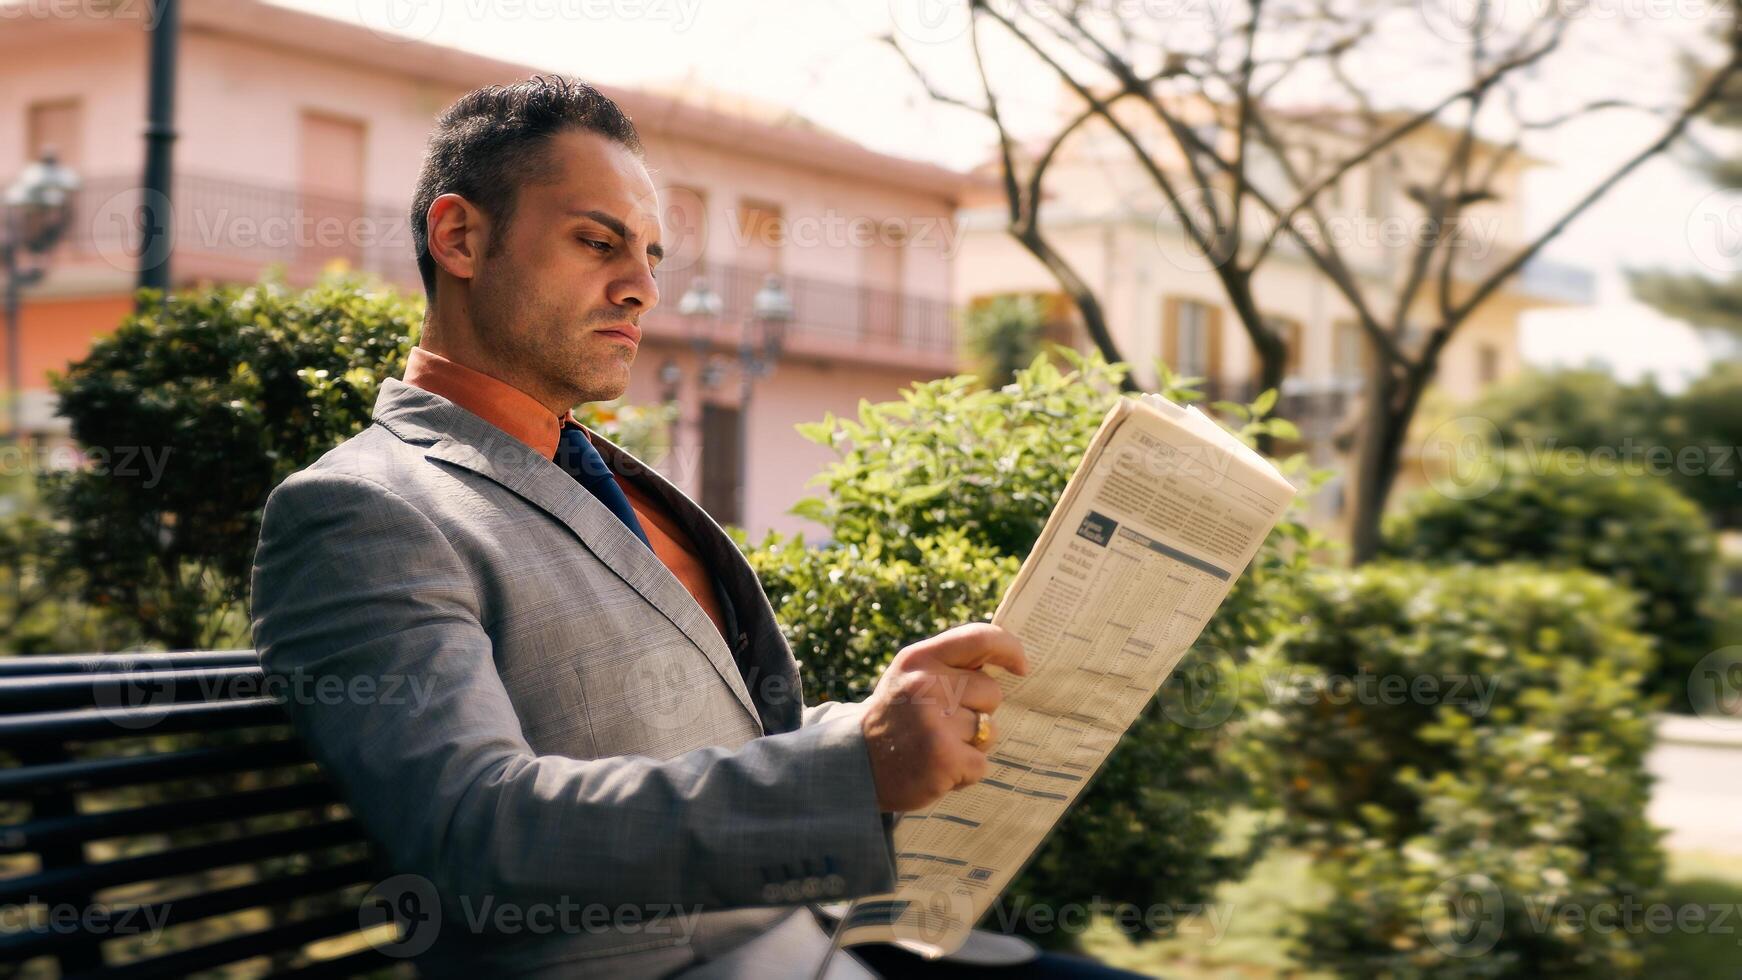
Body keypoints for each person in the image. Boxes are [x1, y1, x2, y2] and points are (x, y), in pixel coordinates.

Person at [251, 74, 1149, 979]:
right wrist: (851, 770)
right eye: (597, 242)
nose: (641, 287)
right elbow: (475, 833)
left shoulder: (608, 480)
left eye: (650, 256)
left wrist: (891, 725)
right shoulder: (365, 510)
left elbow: (703, 744)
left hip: (815, 936)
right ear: (460, 238)